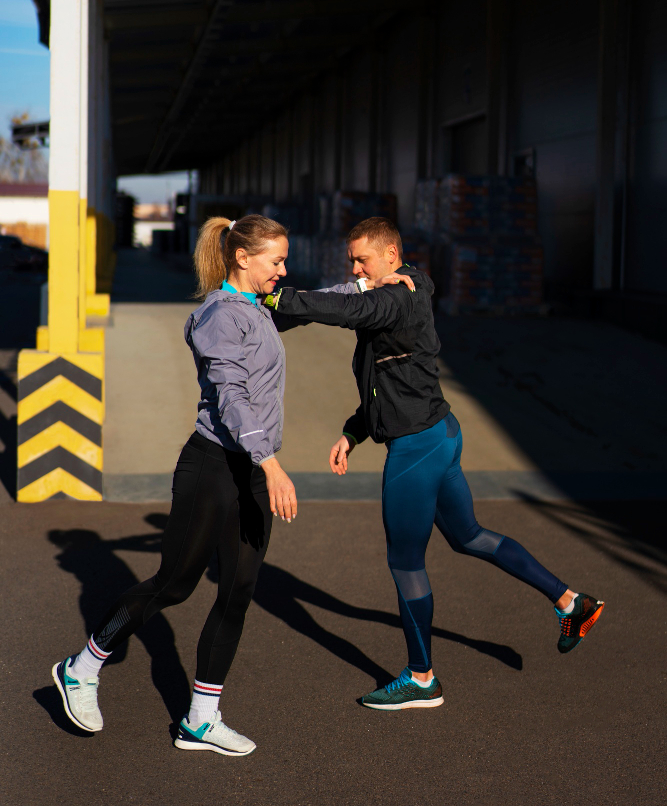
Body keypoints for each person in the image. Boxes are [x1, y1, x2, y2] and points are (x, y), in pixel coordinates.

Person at [266, 217, 605, 711]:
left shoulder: (397, 295)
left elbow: (343, 308)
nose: (355, 267)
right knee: (469, 537)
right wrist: (354, 431)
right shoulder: (406, 285)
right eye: (351, 259)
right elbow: (393, 381)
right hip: (440, 432)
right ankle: (572, 603)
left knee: (405, 562)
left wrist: (274, 296)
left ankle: (422, 678)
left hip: (417, 446)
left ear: (390, 254)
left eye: (362, 258)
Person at [53, 214, 299, 756]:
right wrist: (272, 463)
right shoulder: (217, 315)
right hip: (212, 467)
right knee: (175, 584)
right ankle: (82, 667)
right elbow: (231, 396)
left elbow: (309, 303)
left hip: (252, 471)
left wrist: (367, 287)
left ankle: (200, 721)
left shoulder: (258, 307)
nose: (283, 270)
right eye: (276, 261)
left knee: (237, 590)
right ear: (242, 258)